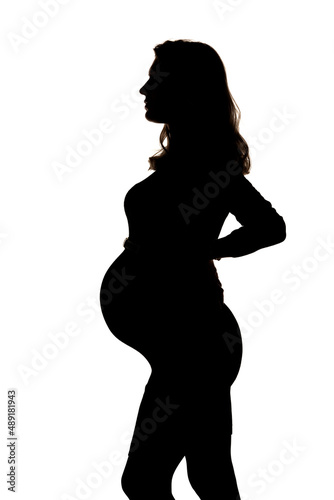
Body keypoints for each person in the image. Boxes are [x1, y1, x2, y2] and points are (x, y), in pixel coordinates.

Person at [99, 39, 286, 500]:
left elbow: (270, 227)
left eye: (156, 78)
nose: (144, 88)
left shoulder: (211, 167)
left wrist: (209, 249)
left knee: (144, 479)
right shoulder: (183, 164)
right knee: (210, 475)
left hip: (196, 345)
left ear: (185, 89)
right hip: (192, 347)